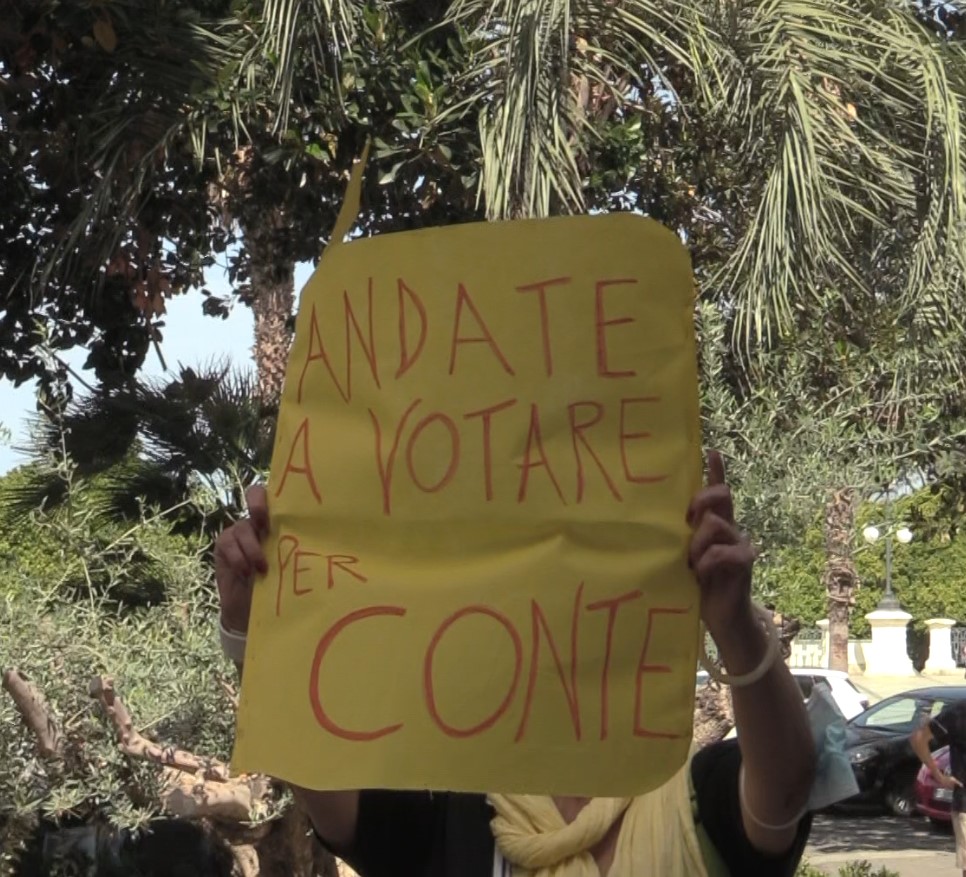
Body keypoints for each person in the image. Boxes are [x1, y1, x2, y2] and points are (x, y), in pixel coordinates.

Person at [215, 451, 816, 876]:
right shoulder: (457, 824)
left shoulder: (700, 797)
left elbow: (786, 788)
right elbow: (321, 774)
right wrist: (255, 631)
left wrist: (735, 626)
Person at [911, 703, 966, 876]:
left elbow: (918, 738)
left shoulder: (956, 712)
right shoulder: (957, 713)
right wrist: (939, 775)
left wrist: (938, 776)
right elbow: (918, 739)